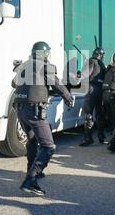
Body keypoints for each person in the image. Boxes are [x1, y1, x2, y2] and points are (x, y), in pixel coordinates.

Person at [12, 41, 74, 196]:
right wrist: (68, 98)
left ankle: (32, 171)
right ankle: (30, 181)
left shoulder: (25, 66)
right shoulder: (46, 66)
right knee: (48, 146)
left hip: (20, 110)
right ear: (45, 54)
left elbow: (13, 83)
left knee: (32, 141)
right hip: (34, 111)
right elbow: (57, 85)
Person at [79, 47, 107, 146]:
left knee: (88, 114)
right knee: (100, 114)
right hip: (100, 90)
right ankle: (101, 136)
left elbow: (86, 73)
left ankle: (88, 138)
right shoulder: (102, 65)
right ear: (101, 55)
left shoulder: (92, 61)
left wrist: (79, 76)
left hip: (91, 89)